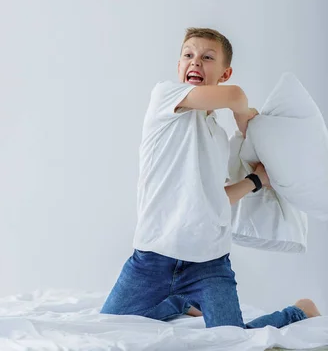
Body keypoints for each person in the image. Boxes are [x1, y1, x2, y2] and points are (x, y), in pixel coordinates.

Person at [100, 28, 320, 328]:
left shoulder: (217, 136)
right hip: (152, 259)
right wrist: (245, 120)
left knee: (232, 340)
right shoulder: (166, 98)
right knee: (106, 331)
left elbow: (214, 198)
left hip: (209, 262)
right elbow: (236, 96)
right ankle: (179, 301)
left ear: (224, 72)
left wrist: (256, 180)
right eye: (188, 55)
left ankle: (300, 312)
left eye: (207, 58)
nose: (195, 62)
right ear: (179, 66)